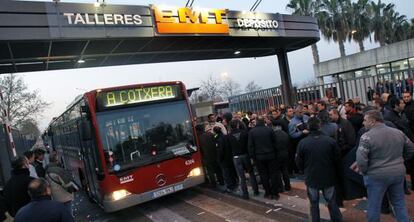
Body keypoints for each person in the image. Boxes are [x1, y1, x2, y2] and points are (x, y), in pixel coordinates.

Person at [355, 110, 414, 222]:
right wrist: (401, 160)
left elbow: (361, 160)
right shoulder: (398, 133)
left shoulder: (366, 137)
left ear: (372, 121)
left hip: (376, 175)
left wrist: (364, 171)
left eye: (365, 120)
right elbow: (411, 148)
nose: (363, 123)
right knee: (399, 203)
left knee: (374, 206)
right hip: (397, 172)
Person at [295, 117, 343, 222]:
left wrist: (305, 170)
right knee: (331, 201)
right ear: (320, 126)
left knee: (314, 203)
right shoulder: (330, 141)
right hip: (328, 176)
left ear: (308, 127)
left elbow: (298, 162)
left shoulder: (303, 143)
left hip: (311, 177)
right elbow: (337, 159)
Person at [248, 116, 281, 199]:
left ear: (256, 121)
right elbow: (275, 143)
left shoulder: (252, 132)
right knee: (273, 174)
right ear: (264, 121)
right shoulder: (269, 130)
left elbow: (251, 146)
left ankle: (267, 192)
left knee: (263, 175)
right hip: (271, 155)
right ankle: (275, 193)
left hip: (259, 157)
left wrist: (253, 157)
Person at [227, 120, 259, 199]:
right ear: (238, 125)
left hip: (236, 157)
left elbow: (228, 148)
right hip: (245, 155)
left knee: (241, 176)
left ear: (230, 127)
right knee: (251, 173)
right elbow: (249, 144)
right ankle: (256, 191)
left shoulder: (228, 136)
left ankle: (245, 193)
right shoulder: (245, 133)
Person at [271, 119, 291, 191]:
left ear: (273, 126)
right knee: (285, 170)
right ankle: (288, 186)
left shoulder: (273, 134)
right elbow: (289, 145)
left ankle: (280, 187)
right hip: (285, 154)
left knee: (278, 171)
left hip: (277, 155)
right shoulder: (285, 134)